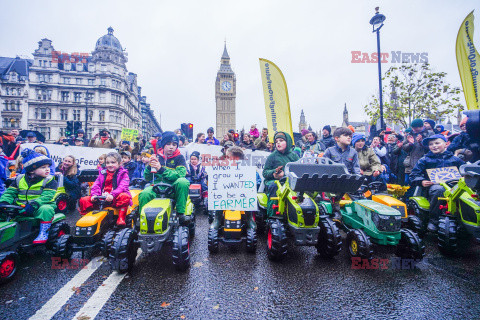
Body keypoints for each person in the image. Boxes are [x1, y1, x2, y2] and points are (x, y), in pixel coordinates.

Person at [0, 149, 58, 244]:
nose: (48, 169)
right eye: (43, 167)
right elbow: (10, 193)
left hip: (38, 206)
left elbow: (46, 196)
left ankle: (43, 232)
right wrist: (4, 202)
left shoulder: (49, 180)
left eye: (48, 166)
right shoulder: (19, 179)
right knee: (2, 209)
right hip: (21, 207)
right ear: (31, 170)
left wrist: (33, 205)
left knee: (46, 209)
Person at [409, 134, 464, 232]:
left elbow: (464, 171)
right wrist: (421, 181)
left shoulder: (455, 160)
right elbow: (414, 174)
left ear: (446, 144)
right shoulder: (425, 159)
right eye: (431, 144)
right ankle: (434, 220)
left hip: (455, 186)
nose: (434, 146)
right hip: (434, 187)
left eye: (437, 143)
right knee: (439, 190)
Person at [138, 131, 190, 224]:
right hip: (157, 187)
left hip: (172, 189)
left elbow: (180, 174)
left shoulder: (180, 158)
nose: (171, 147)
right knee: (145, 193)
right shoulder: (156, 157)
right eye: (168, 144)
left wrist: (161, 169)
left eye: (174, 144)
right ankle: (142, 219)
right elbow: (147, 177)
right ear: (163, 144)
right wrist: (150, 166)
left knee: (183, 182)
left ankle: (180, 213)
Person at [79, 152, 132, 226]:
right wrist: (95, 195)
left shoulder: (123, 174)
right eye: (107, 163)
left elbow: (122, 187)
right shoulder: (102, 173)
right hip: (102, 197)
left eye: (113, 162)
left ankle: (121, 218)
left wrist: (112, 195)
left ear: (119, 163)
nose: (110, 165)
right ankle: (86, 218)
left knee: (125, 196)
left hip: (115, 198)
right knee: (83, 200)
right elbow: (96, 185)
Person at [263, 132, 300, 217]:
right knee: (274, 187)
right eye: (276, 141)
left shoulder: (294, 156)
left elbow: (299, 169)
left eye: (281, 140)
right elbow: (265, 172)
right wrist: (274, 173)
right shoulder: (272, 156)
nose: (278, 143)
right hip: (275, 181)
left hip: (290, 181)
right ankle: (273, 216)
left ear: (288, 142)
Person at [402, 118, 430, 185]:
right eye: (413, 128)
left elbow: (430, 148)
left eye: (416, 128)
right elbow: (404, 148)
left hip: (424, 161)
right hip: (411, 162)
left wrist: (421, 142)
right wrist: (410, 144)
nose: (414, 130)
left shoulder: (429, 134)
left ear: (421, 127)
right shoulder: (408, 135)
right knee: (408, 181)